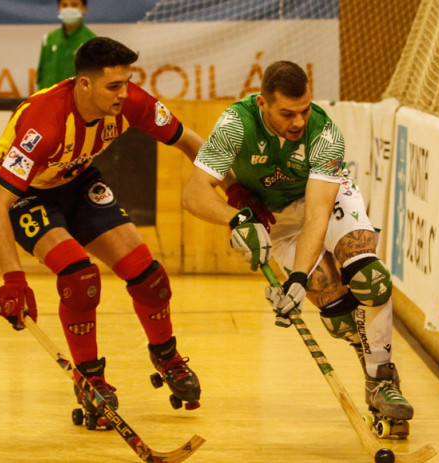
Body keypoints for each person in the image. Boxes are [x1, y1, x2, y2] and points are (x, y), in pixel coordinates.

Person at [181, 60, 414, 436]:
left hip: (323, 201)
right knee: (338, 315)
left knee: (370, 279)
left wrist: (298, 279)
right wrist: (237, 219)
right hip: (276, 218)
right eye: (286, 113)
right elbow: (193, 194)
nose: (298, 122)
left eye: (304, 110)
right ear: (262, 104)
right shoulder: (235, 124)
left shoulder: (324, 133)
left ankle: (381, 379)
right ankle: (368, 349)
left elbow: (318, 216)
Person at [0, 37, 203, 417]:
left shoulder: (132, 102)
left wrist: (232, 187)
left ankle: (167, 358)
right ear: (84, 84)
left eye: (127, 83)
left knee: (149, 276)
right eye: (113, 86)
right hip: (29, 195)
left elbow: (191, 143)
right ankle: (89, 379)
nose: (124, 94)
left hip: (79, 181)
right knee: (80, 278)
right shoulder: (45, 123)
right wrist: (13, 280)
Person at [36, 0, 96, 91]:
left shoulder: (92, 41)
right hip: (49, 99)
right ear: (59, 9)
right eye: (64, 5)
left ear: (84, 8)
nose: (69, 9)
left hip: (77, 100)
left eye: (74, 5)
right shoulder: (48, 39)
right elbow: (41, 76)